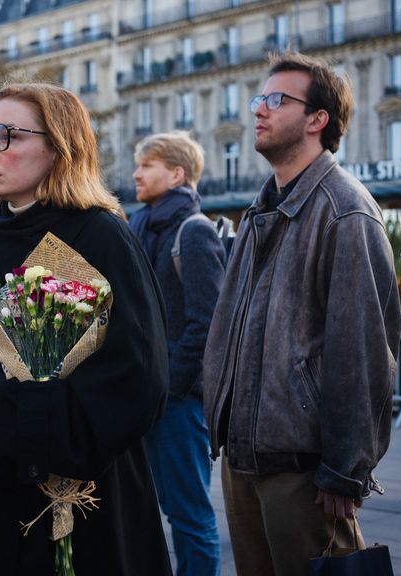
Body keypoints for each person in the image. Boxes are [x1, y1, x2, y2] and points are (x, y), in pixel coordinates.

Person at [0, 82, 172, 575]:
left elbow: (137, 384)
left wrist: (1, 409)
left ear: (60, 147)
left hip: (77, 514)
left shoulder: (98, 235)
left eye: (7, 135)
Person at [202, 52, 401, 576]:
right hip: (245, 459)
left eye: (276, 100)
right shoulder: (260, 209)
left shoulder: (345, 210)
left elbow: (361, 352)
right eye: (257, 99)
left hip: (304, 473)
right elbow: (231, 327)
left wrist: (345, 469)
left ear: (318, 120)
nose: (259, 111)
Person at [127, 131, 223, 576]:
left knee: (190, 517)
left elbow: (206, 324)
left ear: (177, 173)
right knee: (146, 510)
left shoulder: (195, 231)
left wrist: (168, 384)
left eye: (147, 165)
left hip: (178, 402)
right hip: (143, 396)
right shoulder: (137, 228)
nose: (136, 173)